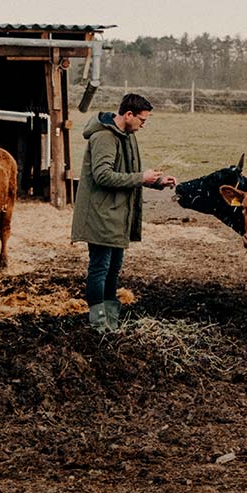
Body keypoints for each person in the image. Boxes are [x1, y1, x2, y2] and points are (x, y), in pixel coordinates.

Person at [71, 93, 176, 333]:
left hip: (118, 215)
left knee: (113, 269)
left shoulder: (127, 136)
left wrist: (156, 181)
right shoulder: (104, 138)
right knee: (100, 268)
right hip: (101, 215)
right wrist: (141, 177)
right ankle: (98, 323)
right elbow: (103, 175)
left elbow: (128, 174)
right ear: (128, 115)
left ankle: (111, 321)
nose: (142, 126)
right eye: (142, 120)